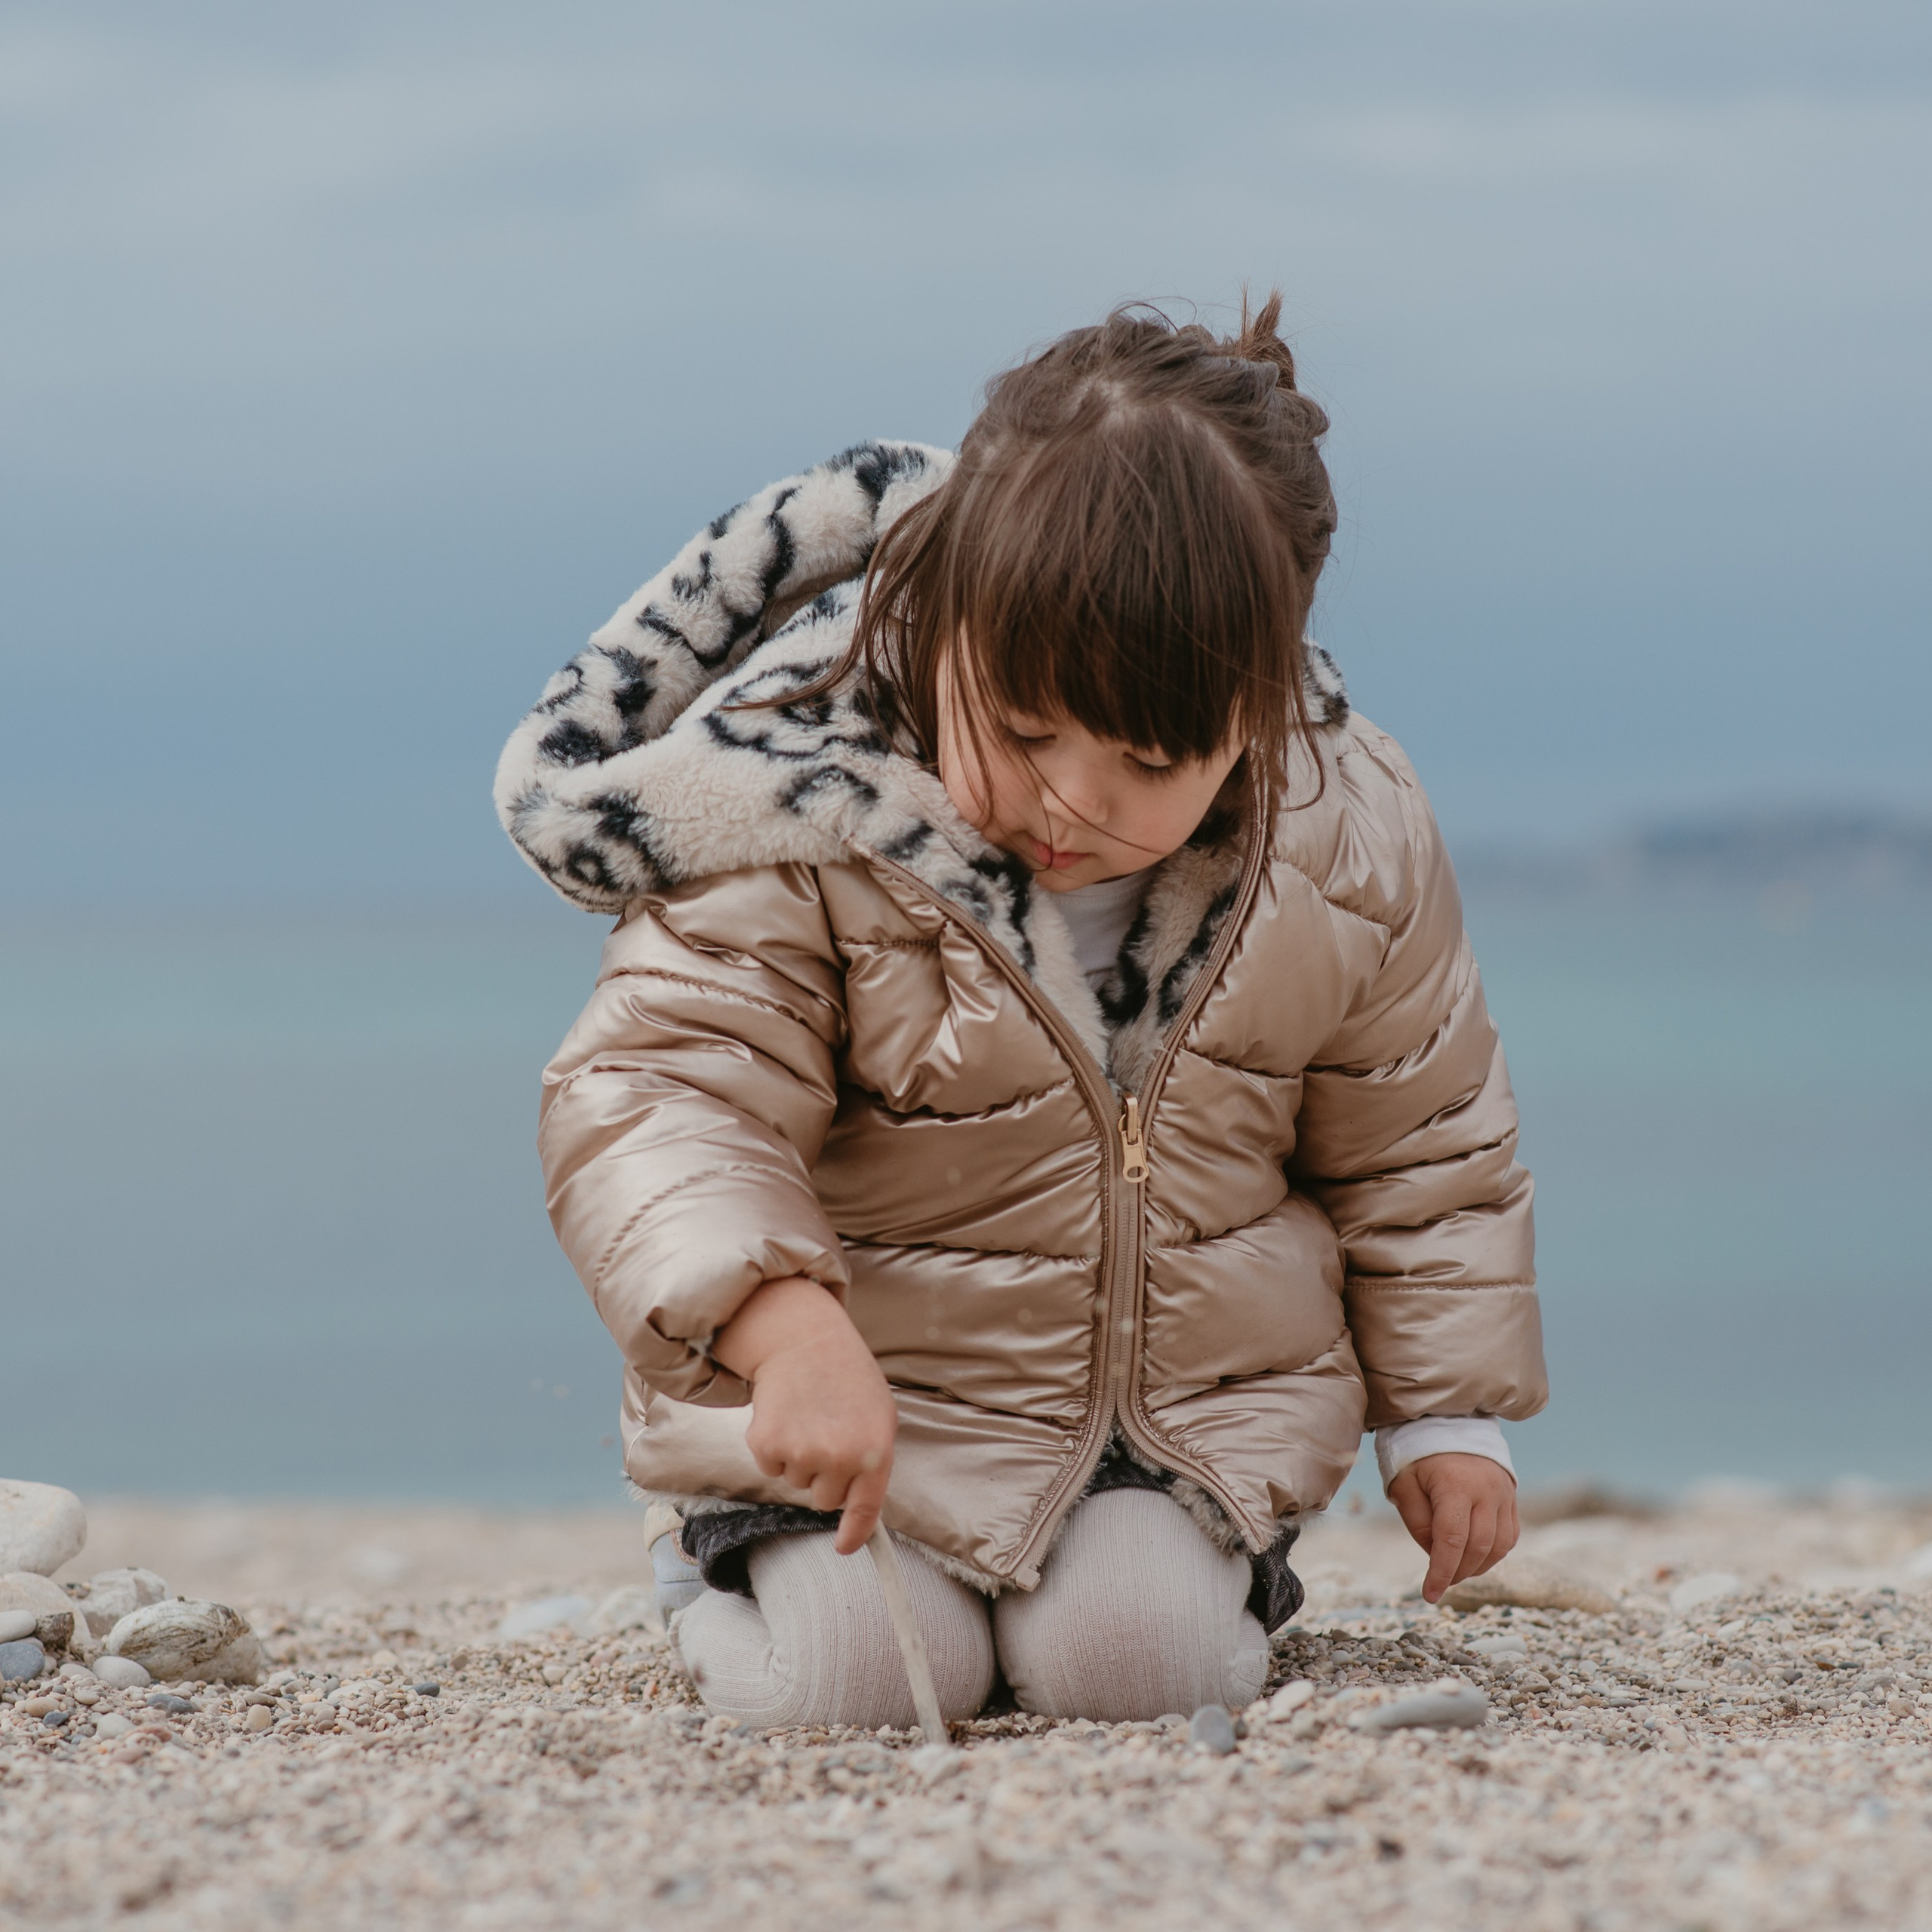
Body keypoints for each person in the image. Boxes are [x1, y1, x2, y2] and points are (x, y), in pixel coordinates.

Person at [494, 296, 1546, 1730]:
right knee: (853, 1689)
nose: (1071, 802)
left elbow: (1423, 1140)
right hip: (858, 1414)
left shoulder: (1345, 832)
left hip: (1168, 1436)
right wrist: (783, 1333)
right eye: (1028, 729)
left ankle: (1152, 1600)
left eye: (1144, 760)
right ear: (946, 626)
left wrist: (1445, 1416)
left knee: (1139, 1672)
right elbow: (663, 1094)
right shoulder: (807, 807)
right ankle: (715, 1577)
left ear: (1258, 702)